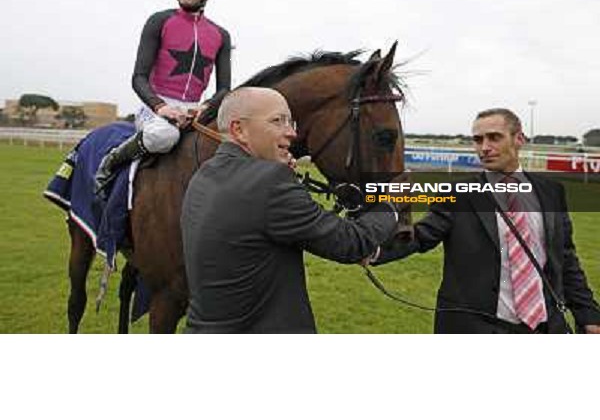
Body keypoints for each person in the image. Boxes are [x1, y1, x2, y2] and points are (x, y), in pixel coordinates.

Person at [180, 87, 400, 333]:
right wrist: (392, 201)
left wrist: (283, 178)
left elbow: (260, 225)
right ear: (238, 129)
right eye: (278, 121)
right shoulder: (270, 181)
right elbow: (351, 243)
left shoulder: (204, 174)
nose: (292, 132)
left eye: (290, 121)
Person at [375, 108, 600, 334]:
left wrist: (588, 315)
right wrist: (370, 247)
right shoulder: (458, 193)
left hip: (546, 327)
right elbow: (421, 236)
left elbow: (565, 259)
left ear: (519, 139)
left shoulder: (551, 191)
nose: (484, 147)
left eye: (494, 137)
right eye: (478, 140)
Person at [94, 0, 231, 196]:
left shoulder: (221, 35)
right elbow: (138, 77)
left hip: (196, 110)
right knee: (164, 136)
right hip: (156, 110)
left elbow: (224, 88)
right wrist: (161, 108)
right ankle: (112, 161)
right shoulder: (159, 21)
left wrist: (205, 106)